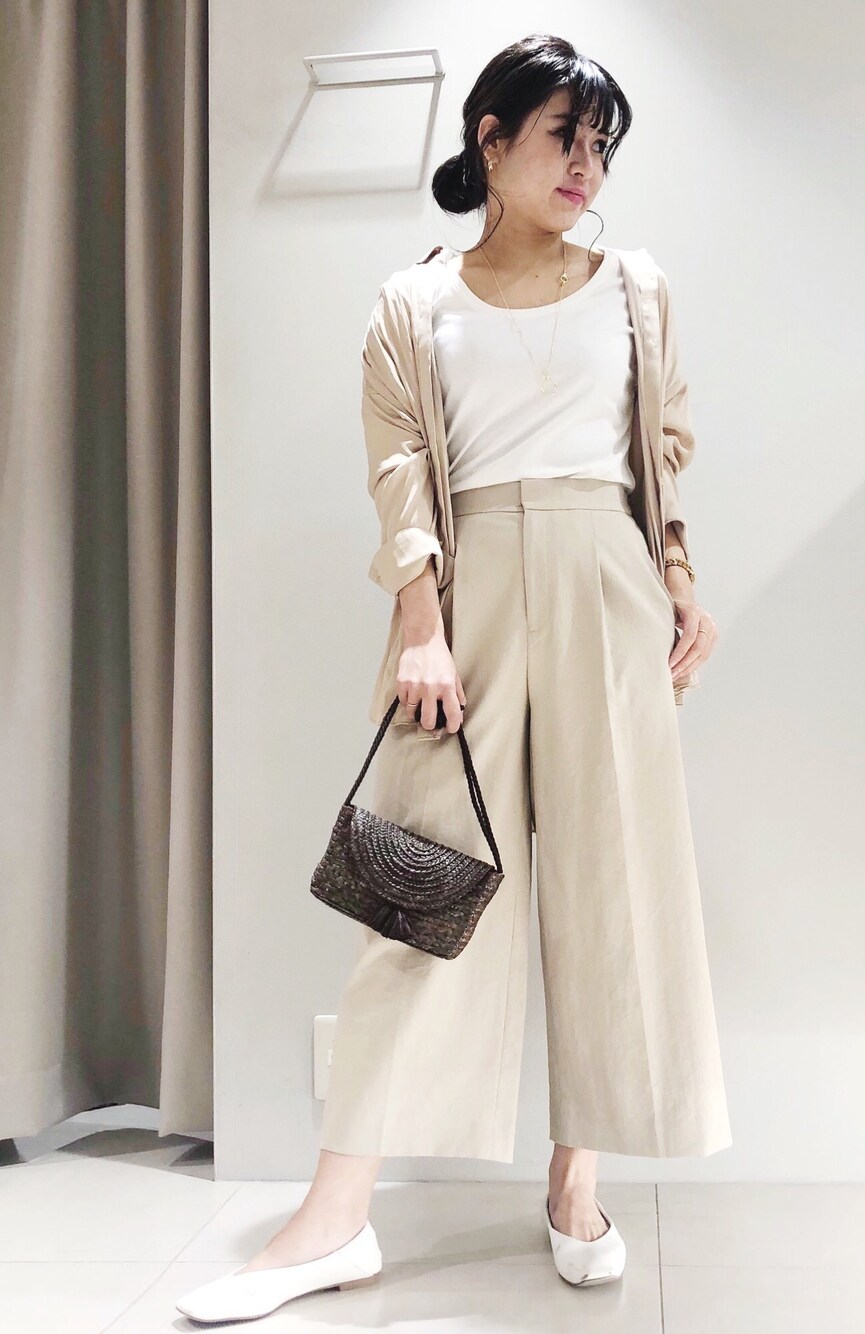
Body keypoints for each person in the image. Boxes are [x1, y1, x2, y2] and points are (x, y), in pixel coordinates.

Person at [176, 32, 732, 1325]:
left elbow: (661, 453)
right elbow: (401, 475)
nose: (587, 167)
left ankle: (576, 1187)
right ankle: (334, 1219)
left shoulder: (635, 288)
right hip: (466, 595)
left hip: (607, 587)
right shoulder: (413, 305)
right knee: (419, 904)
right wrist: (419, 620)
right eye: (563, 137)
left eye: (602, 146)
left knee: (612, 892)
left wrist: (682, 585)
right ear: (490, 137)